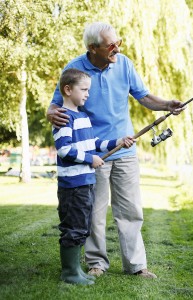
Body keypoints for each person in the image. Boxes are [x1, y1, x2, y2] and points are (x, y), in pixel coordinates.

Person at [47, 22, 185, 279]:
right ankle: (96, 264)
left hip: (124, 148)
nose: (117, 49)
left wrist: (168, 104)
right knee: (94, 212)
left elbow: (143, 96)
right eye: (111, 45)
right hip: (93, 153)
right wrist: (52, 115)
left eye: (118, 42)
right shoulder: (74, 69)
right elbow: (55, 106)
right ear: (93, 48)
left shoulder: (124, 64)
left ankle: (136, 265)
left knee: (130, 210)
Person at [53, 68, 135, 285]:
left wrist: (117, 142)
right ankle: (70, 272)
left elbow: (94, 144)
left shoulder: (82, 117)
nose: (88, 94)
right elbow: (64, 149)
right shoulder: (64, 118)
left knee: (82, 225)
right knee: (73, 226)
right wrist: (91, 159)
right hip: (73, 184)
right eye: (84, 89)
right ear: (68, 89)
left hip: (86, 181)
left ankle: (76, 270)